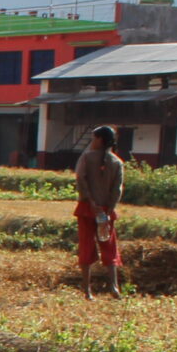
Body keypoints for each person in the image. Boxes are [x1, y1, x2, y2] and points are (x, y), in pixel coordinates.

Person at [74, 126, 126, 298]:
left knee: (86, 246)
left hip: (87, 209)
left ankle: (87, 290)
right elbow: (117, 189)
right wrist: (109, 208)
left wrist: (91, 201)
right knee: (109, 247)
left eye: (93, 138)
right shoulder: (117, 162)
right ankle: (114, 287)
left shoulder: (87, 157)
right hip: (106, 211)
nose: (91, 142)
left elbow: (81, 178)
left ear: (100, 140)